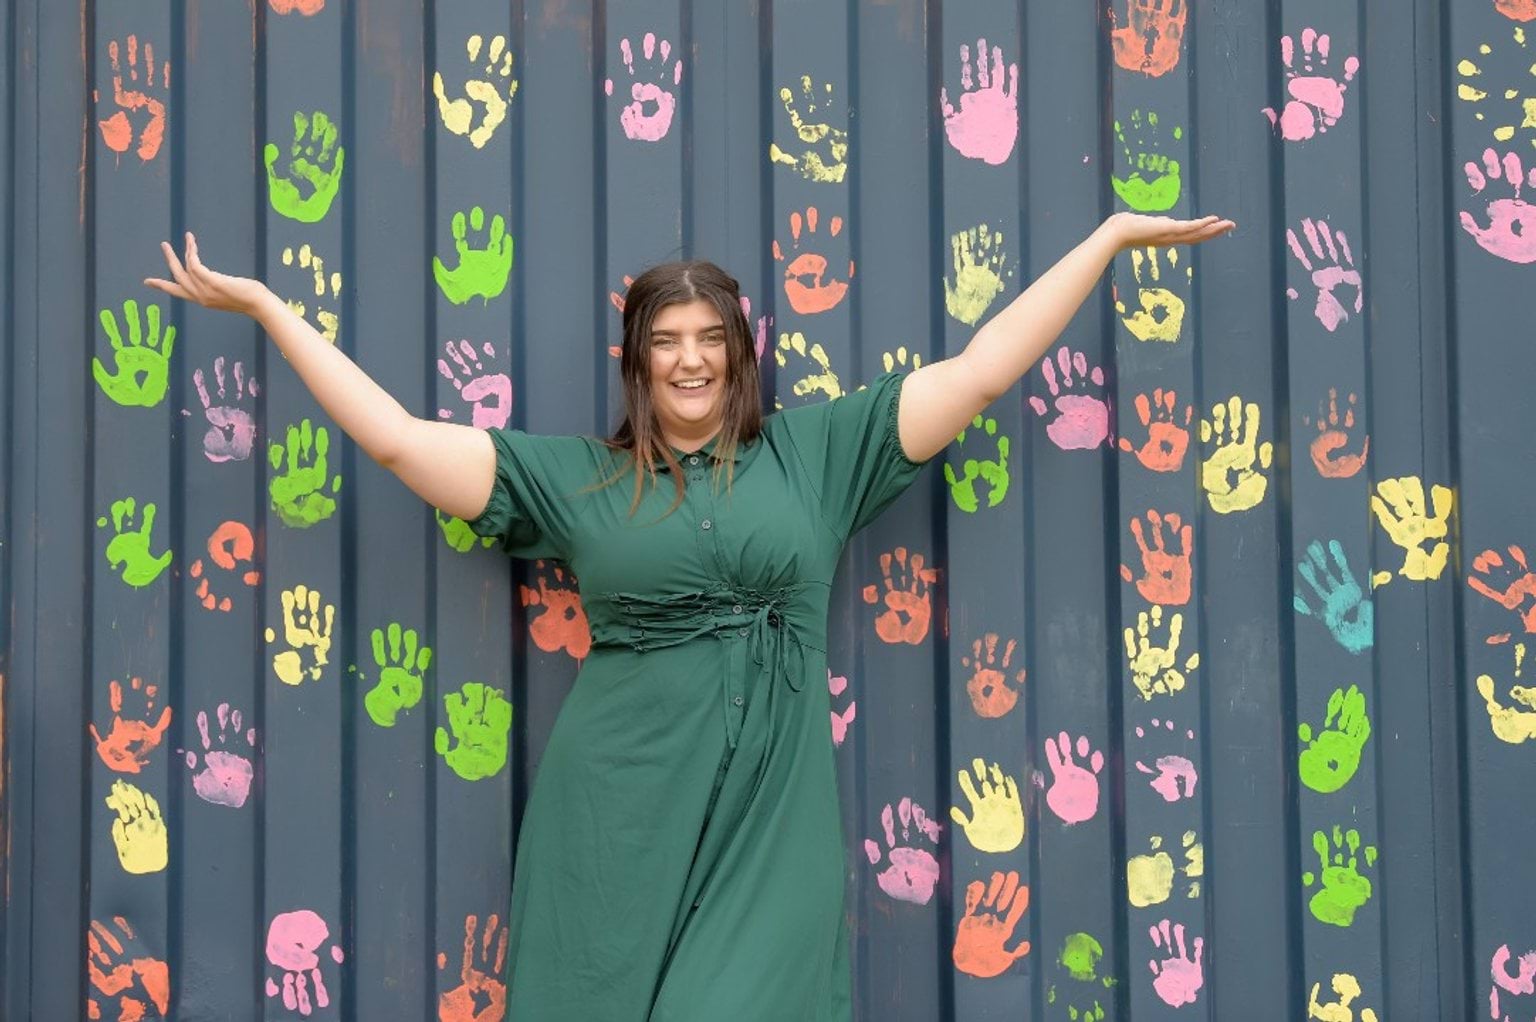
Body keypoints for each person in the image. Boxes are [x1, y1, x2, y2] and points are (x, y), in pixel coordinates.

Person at [144, 210, 1234, 1020]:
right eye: (665, 339)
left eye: (710, 336)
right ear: (637, 360)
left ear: (741, 352)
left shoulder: (817, 455)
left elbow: (983, 373)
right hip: (615, 811)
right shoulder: (578, 481)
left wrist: (1110, 236)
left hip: (774, 819)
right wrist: (271, 309)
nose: (691, 358)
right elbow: (392, 438)